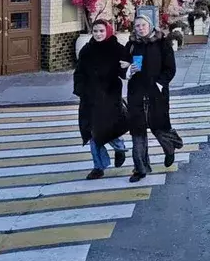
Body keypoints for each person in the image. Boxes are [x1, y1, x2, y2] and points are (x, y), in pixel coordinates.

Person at [125, 15, 184, 182]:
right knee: (138, 131)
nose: (140, 28)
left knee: (160, 127)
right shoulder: (131, 45)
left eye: (143, 25)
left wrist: (159, 84)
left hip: (157, 93)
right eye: (137, 26)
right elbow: (121, 66)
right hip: (136, 93)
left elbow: (170, 68)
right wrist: (129, 70)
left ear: (150, 26)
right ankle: (140, 168)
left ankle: (170, 148)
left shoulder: (162, 43)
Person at [73, 20, 128, 180]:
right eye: (95, 31)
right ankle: (98, 167)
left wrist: (129, 68)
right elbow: (79, 72)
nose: (98, 34)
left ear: (108, 31)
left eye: (101, 31)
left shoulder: (117, 49)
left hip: (109, 97)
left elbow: (125, 70)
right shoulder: (87, 50)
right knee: (92, 132)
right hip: (89, 97)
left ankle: (120, 148)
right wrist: (80, 89)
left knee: (108, 129)